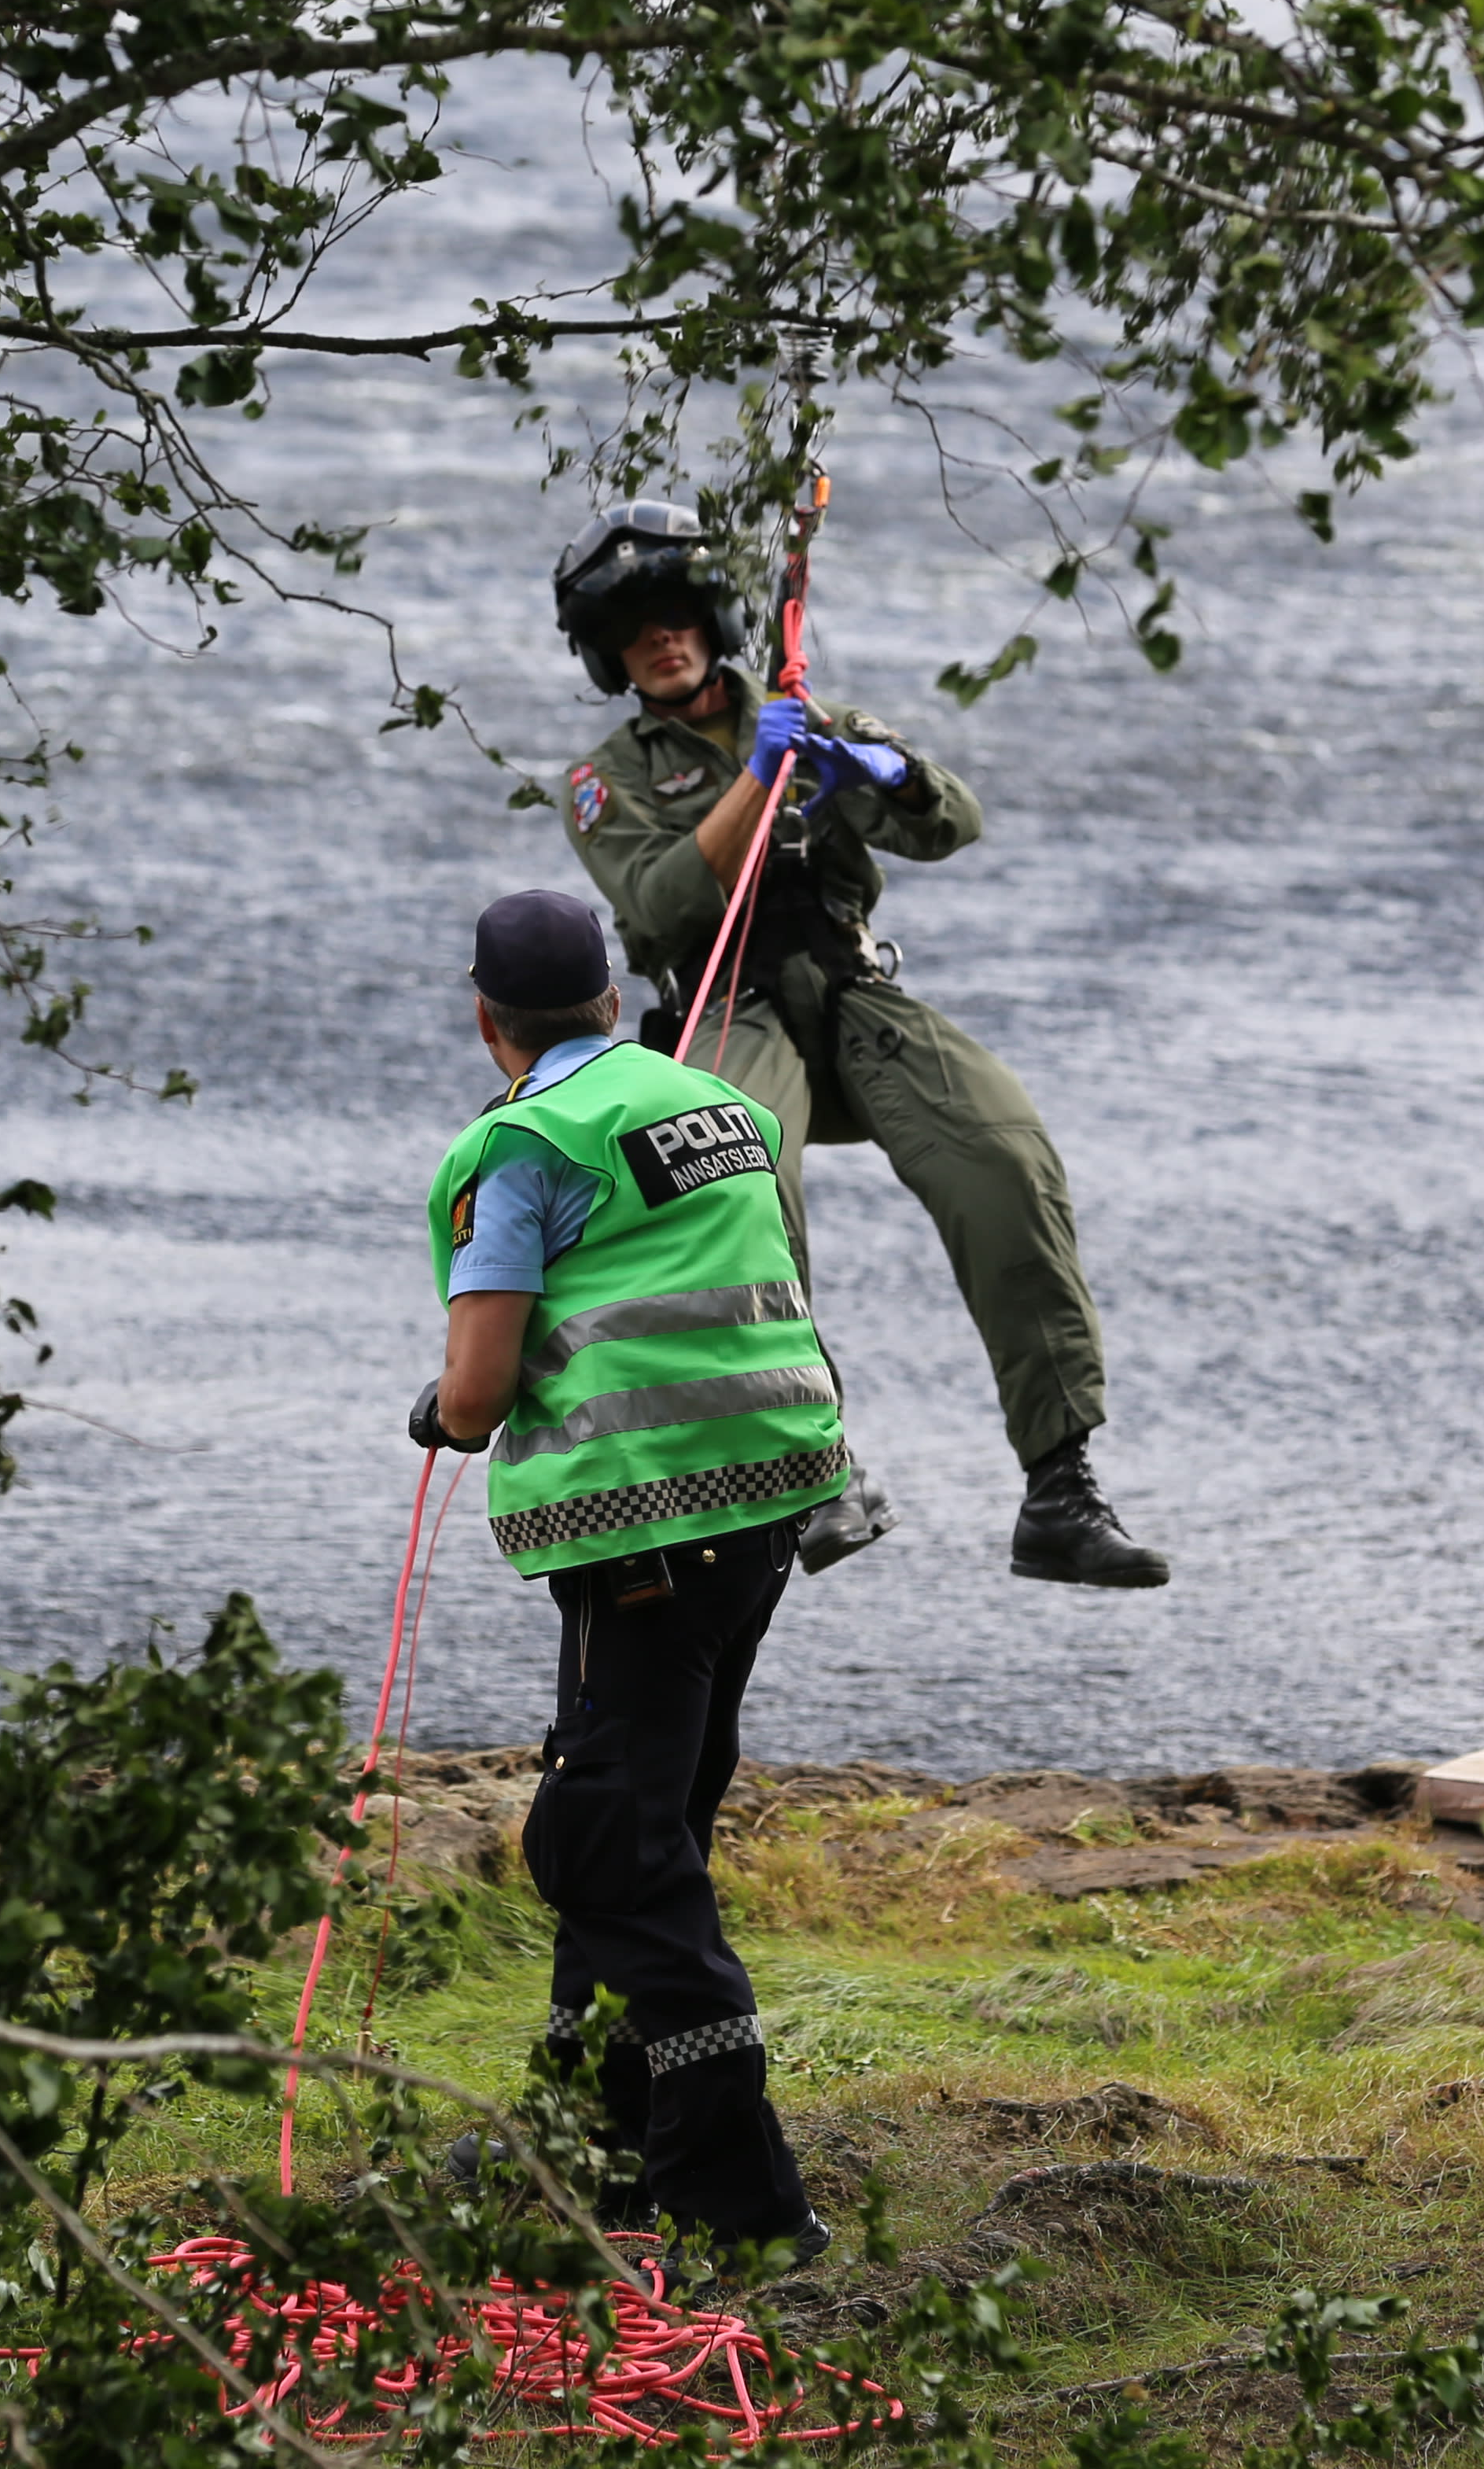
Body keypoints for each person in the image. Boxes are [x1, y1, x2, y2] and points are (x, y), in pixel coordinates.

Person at [546, 500, 1169, 1590]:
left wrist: (880, 774)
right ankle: (814, 1463)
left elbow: (953, 822)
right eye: (633, 628)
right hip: (728, 1005)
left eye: (678, 613)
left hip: (850, 988)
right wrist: (756, 782)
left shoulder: (808, 713)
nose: (661, 638)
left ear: (714, 618)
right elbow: (660, 901)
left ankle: (1059, 1489)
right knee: (735, 1182)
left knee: (1003, 1156)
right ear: (608, 655)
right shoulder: (606, 781)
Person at [411, 888, 830, 2267]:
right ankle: (595, 2143)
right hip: (764, 1513)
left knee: (604, 1847)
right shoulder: (725, 1107)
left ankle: (741, 2201)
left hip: (639, 1536)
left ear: (489, 1020)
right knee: (650, 1821)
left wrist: (440, 1411)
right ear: (608, 1000)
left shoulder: (519, 1146)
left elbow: (477, 1395)